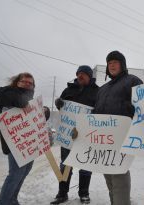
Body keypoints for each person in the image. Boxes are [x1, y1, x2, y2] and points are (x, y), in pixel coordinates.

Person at [92, 50, 143, 205]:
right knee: (108, 172)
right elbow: (96, 111)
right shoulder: (103, 89)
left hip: (122, 136)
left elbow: (143, 106)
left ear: (123, 65)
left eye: (115, 62)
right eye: (109, 63)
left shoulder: (133, 81)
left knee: (119, 173)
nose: (112, 65)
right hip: (103, 138)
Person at [50, 65, 99, 205]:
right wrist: (58, 103)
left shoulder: (98, 92)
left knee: (85, 165)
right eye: (79, 74)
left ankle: (84, 194)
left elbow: (101, 109)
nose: (80, 76)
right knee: (65, 164)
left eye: (84, 74)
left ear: (90, 76)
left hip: (86, 136)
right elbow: (62, 107)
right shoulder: (68, 89)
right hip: (67, 135)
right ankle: (62, 193)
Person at [0, 72, 38, 205]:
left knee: (24, 173)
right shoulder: (6, 93)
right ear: (16, 82)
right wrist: (23, 102)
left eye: (30, 83)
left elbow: (37, 118)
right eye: (24, 81)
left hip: (29, 143)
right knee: (15, 175)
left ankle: (12, 200)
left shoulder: (31, 100)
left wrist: (44, 111)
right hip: (14, 144)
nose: (27, 84)